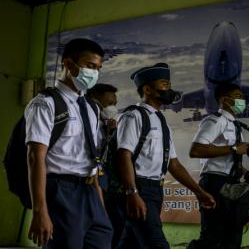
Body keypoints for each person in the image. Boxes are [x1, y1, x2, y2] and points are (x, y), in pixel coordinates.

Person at [25, 38, 113, 248]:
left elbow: (92, 158)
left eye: (98, 68)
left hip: (90, 190)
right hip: (61, 190)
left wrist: (98, 202)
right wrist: (40, 211)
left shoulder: (92, 107)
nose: (94, 73)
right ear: (69, 64)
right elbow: (35, 157)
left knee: (102, 241)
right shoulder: (45, 104)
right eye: (90, 66)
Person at [116, 63, 216, 248]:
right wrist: (132, 192)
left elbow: (174, 165)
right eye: (164, 84)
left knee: (130, 244)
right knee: (157, 244)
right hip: (139, 189)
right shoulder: (134, 116)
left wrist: (199, 192)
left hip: (155, 191)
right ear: (147, 89)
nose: (170, 89)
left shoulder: (161, 122)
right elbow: (124, 155)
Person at [188, 83, 249, 249]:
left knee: (233, 234)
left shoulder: (236, 125)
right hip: (215, 182)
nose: (242, 100)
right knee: (212, 236)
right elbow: (196, 150)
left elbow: (231, 157)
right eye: (238, 96)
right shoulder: (215, 120)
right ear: (224, 99)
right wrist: (233, 149)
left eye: (242, 97)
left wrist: (245, 172)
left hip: (231, 183)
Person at [87, 83, 123, 248]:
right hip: (86, 183)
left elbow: (104, 155)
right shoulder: (87, 121)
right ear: (95, 100)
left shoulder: (103, 124)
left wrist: (110, 133)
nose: (113, 108)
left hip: (102, 182)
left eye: (115, 104)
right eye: (110, 104)